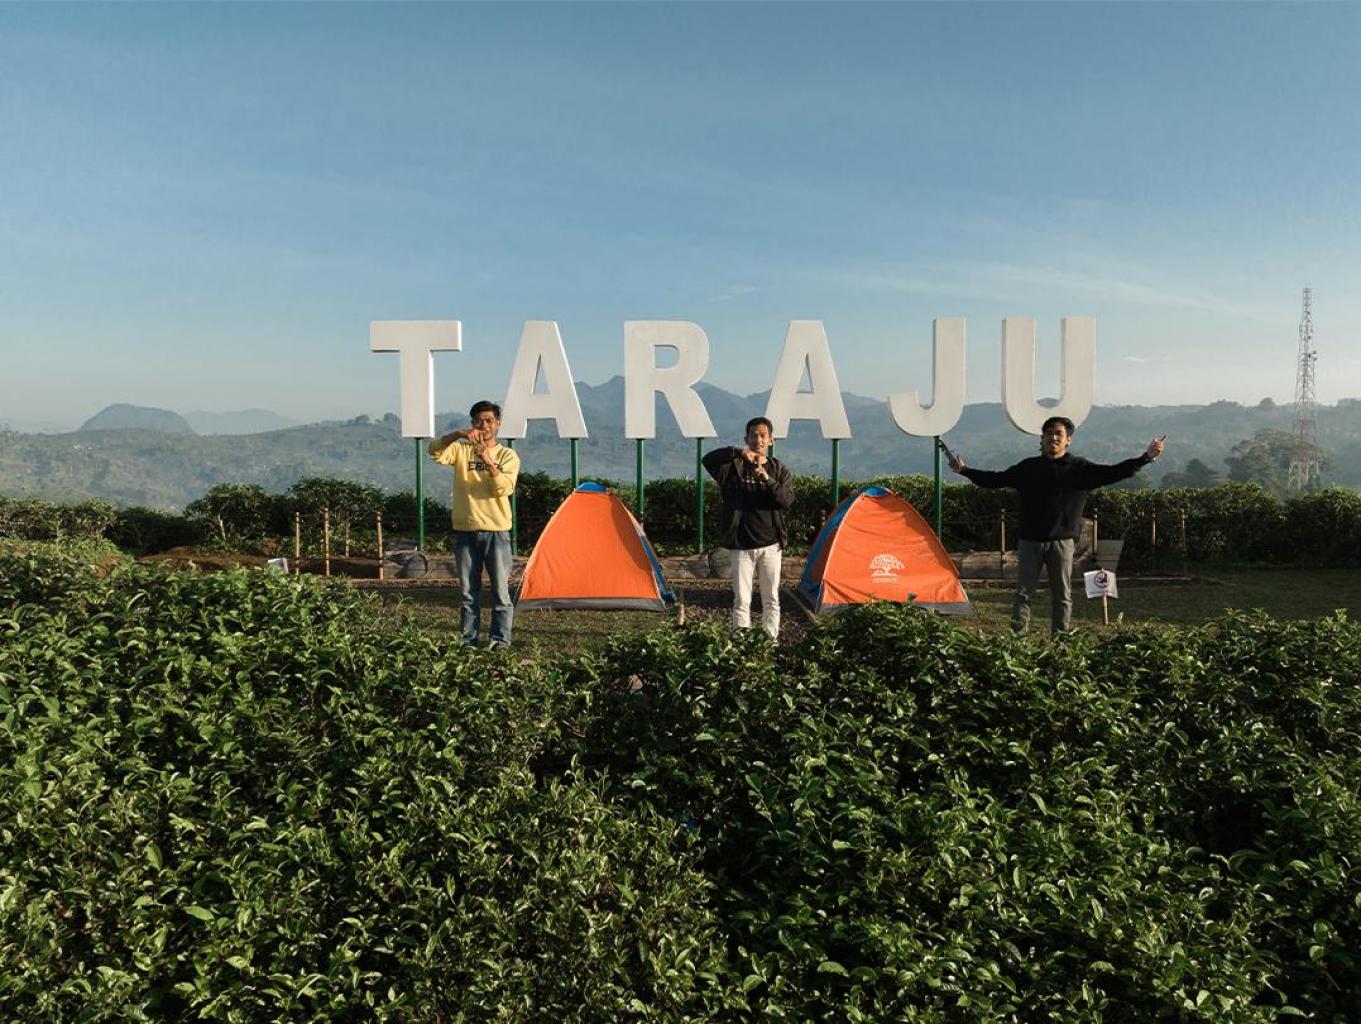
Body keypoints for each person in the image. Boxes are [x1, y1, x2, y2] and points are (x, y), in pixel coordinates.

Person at [948, 416, 1165, 634]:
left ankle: (1061, 640)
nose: (1053, 438)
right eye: (1048, 433)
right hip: (1029, 541)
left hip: (1063, 543)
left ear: (1068, 439)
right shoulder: (1028, 468)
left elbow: (1115, 472)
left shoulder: (1080, 469)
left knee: (1062, 595)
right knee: (1023, 594)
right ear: (1042, 439)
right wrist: (965, 471)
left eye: (1059, 433)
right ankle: (1017, 639)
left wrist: (1146, 457)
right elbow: (995, 480)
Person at [429, 400, 521, 649]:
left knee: (500, 592)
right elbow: (434, 451)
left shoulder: (507, 455)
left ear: (498, 423)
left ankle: (500, 641)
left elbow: (504, 488)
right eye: (479, 421)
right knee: (468, 593)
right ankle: (468, 641)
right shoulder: (461, 450)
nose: (484, 425)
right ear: (472, 423)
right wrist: (459, 434)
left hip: (497, 532)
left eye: (489, 420)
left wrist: (488, 460)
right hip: (466, 531)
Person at [703, 416, 794, 640]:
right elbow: (708, 460)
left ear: (771, 440)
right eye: (754, 435)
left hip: (771, 545)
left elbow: (786, 500)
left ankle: (769, 641)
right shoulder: (733, 468)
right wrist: (737, 452)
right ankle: (741, 643)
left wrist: (768, 480)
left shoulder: (779, 469)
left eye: (763, 435)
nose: (758, 440)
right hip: (741, 546)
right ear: (746, 439)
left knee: (771, 598)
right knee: (742, 600)